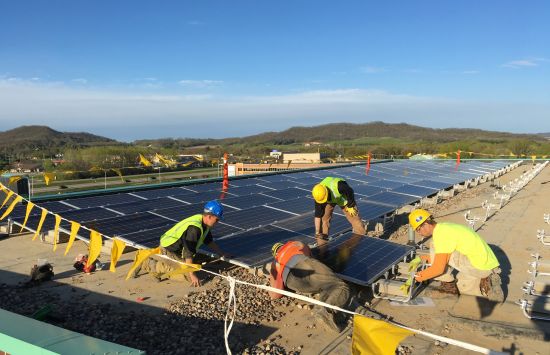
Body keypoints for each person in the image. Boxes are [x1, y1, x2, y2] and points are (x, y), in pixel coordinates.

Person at [408, 209, 504, 302]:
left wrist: (418, 276)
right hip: (487, 265)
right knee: (462, 287)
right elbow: (445, 255)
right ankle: (487, 283)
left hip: (479, 267)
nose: (419, 233)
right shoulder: (445, 227)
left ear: (425, 224)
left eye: (418, 229)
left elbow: (438, 268)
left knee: (434, 245)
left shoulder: (441, 235)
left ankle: (447, 289)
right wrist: (422, 258)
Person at [268, 240, 352, 331]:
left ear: (275, 254)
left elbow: (275, 294)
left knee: (325, 286)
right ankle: (326, 313)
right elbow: (308, 253)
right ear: (283, 245)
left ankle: (320, 308)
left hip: (292, 283)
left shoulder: (275, 262)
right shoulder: (292, 243)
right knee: (341, 286)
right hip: (305, 265)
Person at [147, 200, 230, 287]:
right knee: (188, 277)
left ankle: (164, 263)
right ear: (209, 216)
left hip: (179, 250)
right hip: (169, 250)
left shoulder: (204, 223)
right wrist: (192, 275)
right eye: (217, 220)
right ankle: (153, 266)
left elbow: (209, 241)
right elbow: (188, 254)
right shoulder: (194, 229)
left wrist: (222, 254)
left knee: (198, 263)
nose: (218, 222)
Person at [312, 177, 366, 252]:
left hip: (343, 198)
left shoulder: (340, 186)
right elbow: (317, 215)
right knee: (324, 221)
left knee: (355, 219)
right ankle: (322, 248)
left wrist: (350, 205)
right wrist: (317, 232)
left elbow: (350, 191)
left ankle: (360, 240)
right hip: (330, 200)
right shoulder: (319, 194)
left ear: (326, 192)